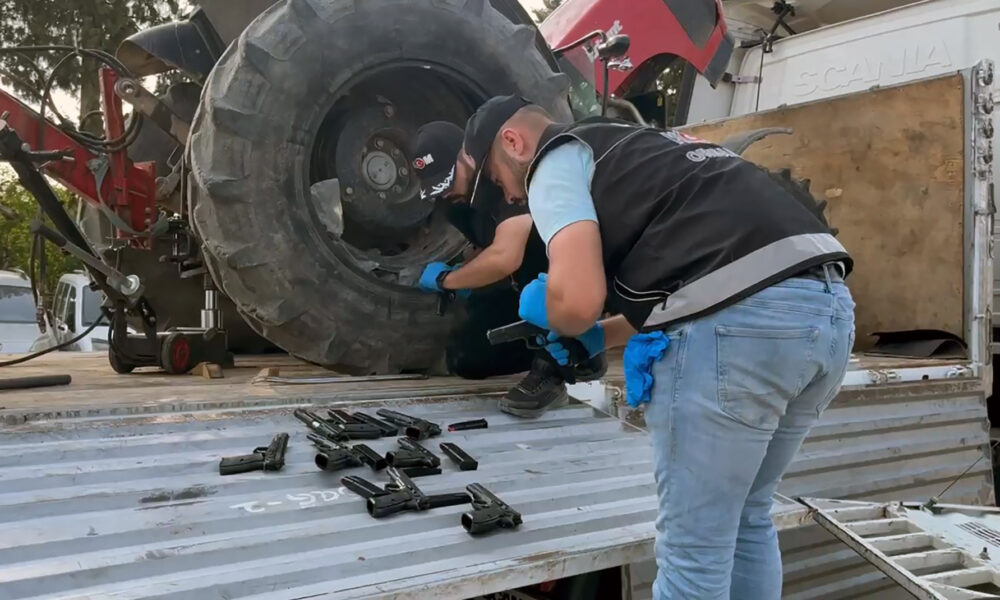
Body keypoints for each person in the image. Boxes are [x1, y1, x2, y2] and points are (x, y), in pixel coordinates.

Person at [463, 95, 856, 599]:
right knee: (748, 517)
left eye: (498, 181)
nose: (511, 197)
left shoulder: (554, 159)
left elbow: (578, 300)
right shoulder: (648, 144)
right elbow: (705, 277)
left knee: (694, 554)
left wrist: (551, 310)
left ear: (513, 142)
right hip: (827, 311)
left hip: (741, 329)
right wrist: (599, 336)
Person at [410, 121, 569, 418]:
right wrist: (465, 270)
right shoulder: (456, 202)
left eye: (447, 182)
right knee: (466, 359)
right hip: (519, 288)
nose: (446, 193)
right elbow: (490, 243)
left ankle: (553, 366)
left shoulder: (507, 179)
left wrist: (447, 279)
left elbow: (506, 256)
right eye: (437, 188)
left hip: (560, 276)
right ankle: (539, 343)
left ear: (467, 158)